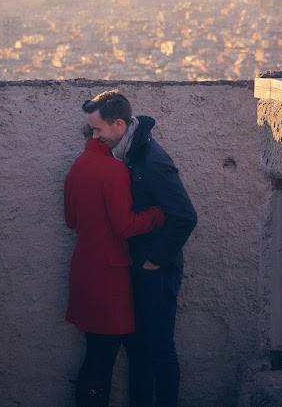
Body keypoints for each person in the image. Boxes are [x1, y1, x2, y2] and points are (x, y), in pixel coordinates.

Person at [82, 90, 198, 407]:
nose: (94, 136)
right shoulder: (127, 152)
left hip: (155, 272)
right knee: (138, 349)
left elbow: (185, 217)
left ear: (118, 124)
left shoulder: (153, 161)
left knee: (159, 349)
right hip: (134, 269)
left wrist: (153, 263)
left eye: (98, 130)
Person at [64, 126, 165, 406]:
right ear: (102, 133)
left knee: (95, 354)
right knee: (104, 358)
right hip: (109, 276)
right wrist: (156, 214)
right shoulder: (115, 170)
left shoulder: (79, 165)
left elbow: (70, 220)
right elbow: (125, 226)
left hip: (84, 269)